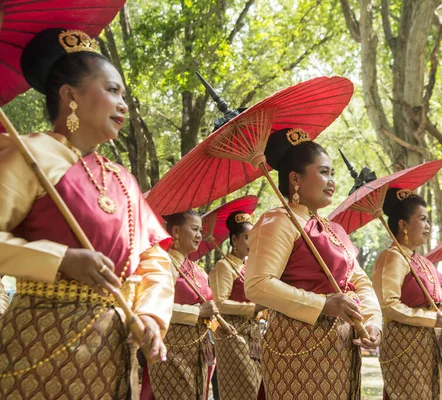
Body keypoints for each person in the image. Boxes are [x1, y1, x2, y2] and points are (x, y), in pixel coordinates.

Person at [0, 28, 173, 398]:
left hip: (114, 352)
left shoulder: (123, 179)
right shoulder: (29, 155)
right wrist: (60, 258)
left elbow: (154, 258)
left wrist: (150, 315)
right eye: (112, 90)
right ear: (70, 95)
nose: (123, 104)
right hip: (42, 341)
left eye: (123, 95)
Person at [245, 128, 382, 399]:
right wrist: (323, 304)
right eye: (323, 172)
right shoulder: (279, 222)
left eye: (332, 173)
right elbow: (258, 285)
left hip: (342, 349)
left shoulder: (335, 230)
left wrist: (372, 319)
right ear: (295, 178)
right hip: (296, 347)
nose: (332, 181)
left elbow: (360, 280)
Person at [372, 189, 442, 399]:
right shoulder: (392, 257)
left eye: (429, 220)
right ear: (403, 224)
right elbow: (387, 304)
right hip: (404, 345)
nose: (428, 226)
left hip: (430, 346)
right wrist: (432, 319)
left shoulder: (424, 263)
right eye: (422, 219)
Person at [146, 210, 219, 399]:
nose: (199, 235)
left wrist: (219, 327)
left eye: (201, 231)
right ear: (176, 231)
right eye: (194, 229)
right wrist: (196, 312)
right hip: (173, 348)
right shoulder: (162, 263)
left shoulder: (199, 271)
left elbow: (209, 311)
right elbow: (157, 306)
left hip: (200, 349)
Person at [209, 211, 264, 399]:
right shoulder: (224, 267)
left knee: (257, 386)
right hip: (231, 335)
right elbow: (219, 303)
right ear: (234, 239)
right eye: (248, 237)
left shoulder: (249, 267)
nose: (253, 242)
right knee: (244, 387)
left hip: (253, 336)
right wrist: (253, 308)